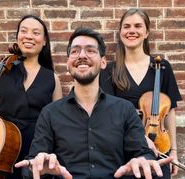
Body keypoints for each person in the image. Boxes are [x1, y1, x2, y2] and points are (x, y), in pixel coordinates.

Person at [15, 27, 172, 179]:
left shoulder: (125, 110)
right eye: (75, 51)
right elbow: (30, 168)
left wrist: (142, 160)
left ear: (103, 62)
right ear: (68, 63)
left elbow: (143, 153)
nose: (82, 55)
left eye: (90, 50)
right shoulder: (50, 113)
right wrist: (37, 168)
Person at [0, 14, 63, 178]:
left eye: (36, 32)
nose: (29, 36)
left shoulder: (52, 78)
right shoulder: (1, 70)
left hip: (36, 149)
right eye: (24, 31)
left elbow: (59, 121)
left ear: (44, 41)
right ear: (18, 36)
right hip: (1, 148)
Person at [100, 8, 182, 178]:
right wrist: (139, 137)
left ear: (146, 32)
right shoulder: (109, 70)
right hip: (122, 149)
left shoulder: (162, 67)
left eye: (138, 26)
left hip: (158, 148)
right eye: (126, 26)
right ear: (120, 32)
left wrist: (173, 151)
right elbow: (108, 113)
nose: (132, 31)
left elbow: (169, 112)